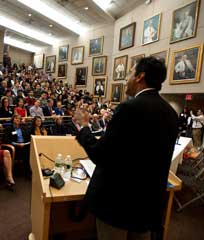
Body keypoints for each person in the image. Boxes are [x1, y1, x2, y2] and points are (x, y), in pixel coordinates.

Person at [76, 57, 178, 240]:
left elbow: (100, 154)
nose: (126, 79)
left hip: (117, 205)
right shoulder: (170, 113)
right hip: (147, 206)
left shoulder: (129, 108)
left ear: (140, 76)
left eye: (130, 73)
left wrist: (84, 127)